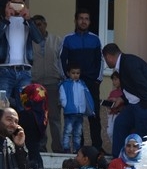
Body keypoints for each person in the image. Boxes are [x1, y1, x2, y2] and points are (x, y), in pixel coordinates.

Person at [101, 43, 147, 157]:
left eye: (105, 59)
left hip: (146, 105)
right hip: (135, 105)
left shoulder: (129, 63)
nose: (105, 62)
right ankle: (118, 161)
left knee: (142, 137)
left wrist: (143, 108)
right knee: (120, 123)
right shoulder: (125, 63)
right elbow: (132, 88)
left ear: (108, 57)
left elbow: (143, 86)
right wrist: (121, 99)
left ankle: (141, 166)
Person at [60, 8, 103, 152]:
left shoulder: (95, 39)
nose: (83, 21)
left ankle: (97, 147)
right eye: (81, 18)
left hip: (91, 82)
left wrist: (97, 79)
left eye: (86, 18)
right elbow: (61, 59)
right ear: (76, 20)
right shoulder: (68, 39)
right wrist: (67, 79)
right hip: (74, 83)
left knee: (94, 115)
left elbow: (100, 61)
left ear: (90, 21)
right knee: (77, 115)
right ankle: (81, 149)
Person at [0, 0, 43, 110]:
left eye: (20, 3)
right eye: (14, 3)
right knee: (1, 105)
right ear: (8, 3)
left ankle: (21, 129)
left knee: (24, 107)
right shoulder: (2, 20)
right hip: (5, 70)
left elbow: (39, 39)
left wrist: (28, 19)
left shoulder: (28, 22)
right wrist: (7, 18)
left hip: (24, 71)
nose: (17, 6)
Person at [31, 14, 63, 153]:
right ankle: (41, 147)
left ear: (45, 24)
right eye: (35, 25)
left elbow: (61, 62)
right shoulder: (29, 41)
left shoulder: (56, 40)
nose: (38, 27)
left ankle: (58, 148)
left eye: (40, 24)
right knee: (39, 117)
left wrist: (62, 80)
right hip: (36, 84)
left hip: (53, 83)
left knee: (54, 118)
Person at [60, 63, 95, 154]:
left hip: (80, 113)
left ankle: (77, 149)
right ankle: (66, 148)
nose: (75, 75)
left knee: (78, 133)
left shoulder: (82, 84)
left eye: (77, 73)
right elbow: (62, 96)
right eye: (73, 73)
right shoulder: (65, 84)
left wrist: (89, 109)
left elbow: (87, 97)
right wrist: (65, 105)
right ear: (68, 73)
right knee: (68, 131)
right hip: (70, 112)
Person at [104, 71, 123, 144]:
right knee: (110, 132)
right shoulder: (113, 92)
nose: (114, 82)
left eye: (116, 79)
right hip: (112, 115)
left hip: (120, 114)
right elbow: (110, 102)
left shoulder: (125, 92)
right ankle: (114, 148)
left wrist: (117, 100)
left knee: (119, 132)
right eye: (113, 80)